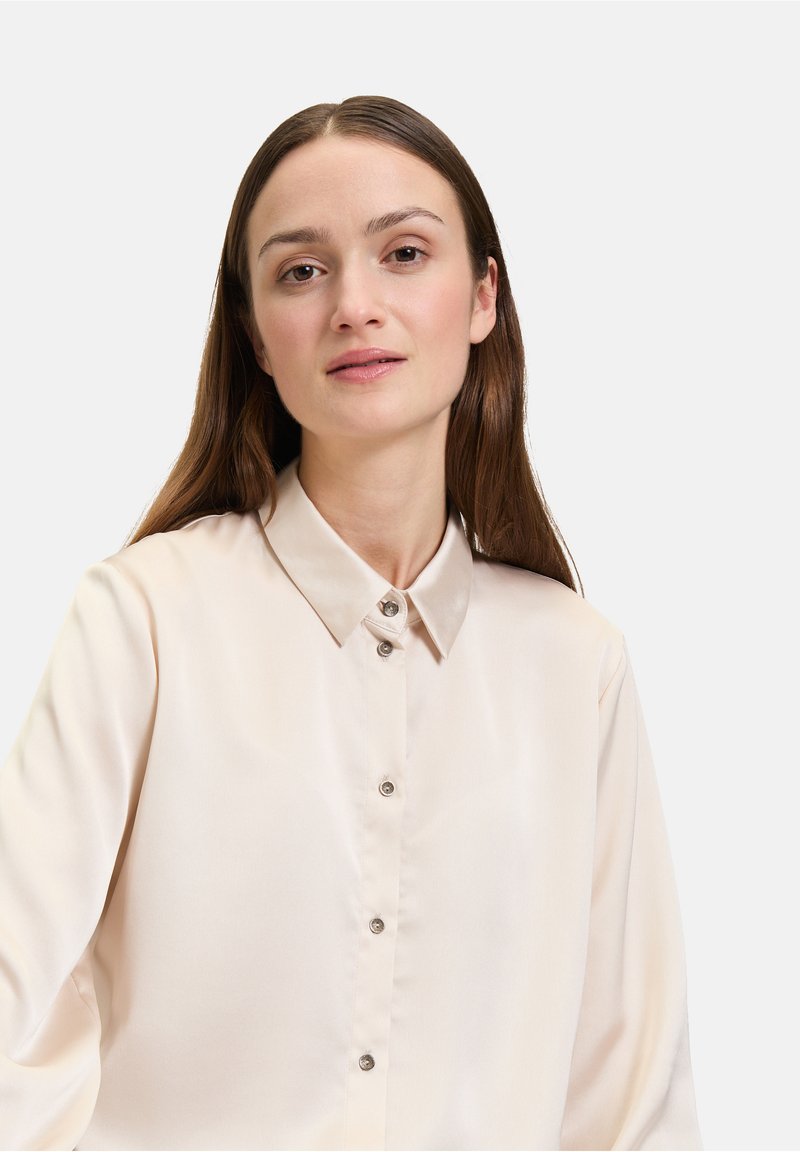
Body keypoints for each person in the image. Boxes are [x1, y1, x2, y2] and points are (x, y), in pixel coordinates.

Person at [0, 95, 701, 1150]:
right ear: (256, 333)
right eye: (301, 271)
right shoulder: (142, 620)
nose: (354, 306)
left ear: (483, 297)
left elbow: (629, 1089)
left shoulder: (575, 665)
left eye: (403, 254)